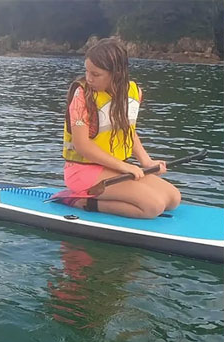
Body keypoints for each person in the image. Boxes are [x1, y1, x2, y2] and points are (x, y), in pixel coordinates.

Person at [60, 38, 181, 219]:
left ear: (116, 73)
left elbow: (128, 132)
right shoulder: (81, 96)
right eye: (87, 71)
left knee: (173, 199)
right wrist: (124, 167)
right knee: (152, 207)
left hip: (112, 168)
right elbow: (81, 145)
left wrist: (147, 162)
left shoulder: (134, 92)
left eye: (96, 74)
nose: (89, 78)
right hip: (82, 171)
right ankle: (82, 202)